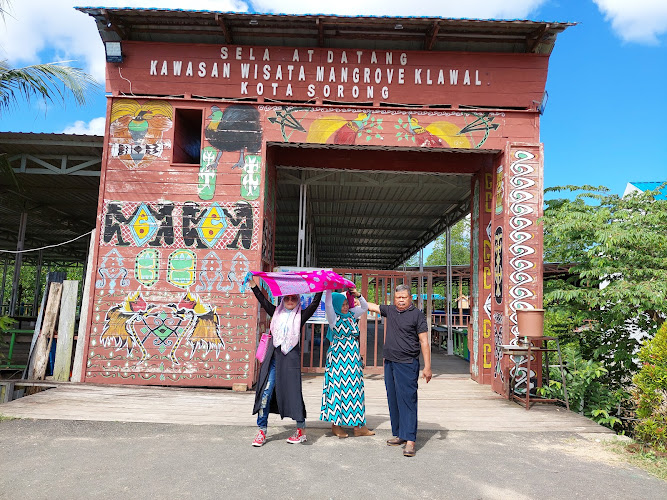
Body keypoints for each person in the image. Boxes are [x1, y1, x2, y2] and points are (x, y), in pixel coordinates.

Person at [249, 276, 323, 447]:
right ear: (283, 299)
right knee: (265, 393)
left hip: (291, 362)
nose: (290, 301)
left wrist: (320, 288)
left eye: (293, 298)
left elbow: (313, 304)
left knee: (294, 394)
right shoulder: (275, 312)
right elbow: (262, 299)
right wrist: (253, 285)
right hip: (273, 360)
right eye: (287, 298)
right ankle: (262, 431)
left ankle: (301, 431)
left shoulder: (301, 316)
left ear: (298, 300)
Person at [366, 284, 432, 457]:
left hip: (408, 363)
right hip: (390, 362)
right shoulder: (391, 310)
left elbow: (424, 341)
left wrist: (427, 366)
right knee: (393, 398)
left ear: (410, 298)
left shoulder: (417, 315)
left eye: (404, 297)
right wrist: (356, 295)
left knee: (408, 400)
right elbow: (370, 306)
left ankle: (410, 440)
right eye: (397, 297)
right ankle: (400, 434)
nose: (401, 300)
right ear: (393, 299)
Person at [320, 287, 375, 438]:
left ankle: (359, 427)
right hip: (338, 358)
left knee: (355, 389)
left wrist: (359, 295)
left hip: (352, 358)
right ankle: (336, 425)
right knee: (337, 390)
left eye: (346, 304)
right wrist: (329, 289)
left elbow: (364, 307)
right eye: (342, 304)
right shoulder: (333, 318)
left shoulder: (351, 314)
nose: (345, 307)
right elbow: (329, 305)